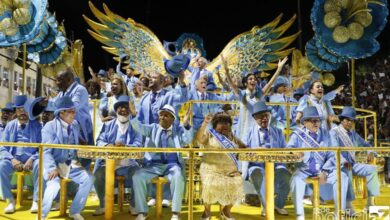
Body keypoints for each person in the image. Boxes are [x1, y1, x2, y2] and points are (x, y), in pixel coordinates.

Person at [129, 104, 192, 220]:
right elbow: (139, 127)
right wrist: (133, 115)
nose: (162, 117)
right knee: (137, 176)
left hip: (172, 166)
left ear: (173, 119)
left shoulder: (177, 131)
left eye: (166, 115)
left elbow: (187, 139)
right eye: (161, 115)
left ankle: (175, 213)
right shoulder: (153, 128)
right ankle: (142, 212)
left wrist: (186, 124)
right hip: (154, 165)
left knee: (178, 176)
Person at [287, 106, 348, 220]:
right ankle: (300, 216)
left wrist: (325, 171)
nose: (316, 123)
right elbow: (289, 148)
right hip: (304, 169)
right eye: (312, 120)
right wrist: (294, 152)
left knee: (342, 177)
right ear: (305, 122)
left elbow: (333, 154)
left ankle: (339, 215)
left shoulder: (327, 134)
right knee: (295, 180)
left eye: (318, 120)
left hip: (324, 169)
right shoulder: (297, 134)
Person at [40, 96, 95, 220]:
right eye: (71, 111)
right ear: (61, 113)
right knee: (54, 186)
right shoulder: (49, 127)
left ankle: (75, 211)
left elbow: (76, 143)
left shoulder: (74, 124)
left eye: (74, 111)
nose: (74, 114)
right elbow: (46, 151)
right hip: (54, 164)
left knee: (89, 178)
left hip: (71, 165)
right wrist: (52, 168)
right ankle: (42, 214)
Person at [93, 95, 142, 216]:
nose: (123, 110)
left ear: (130, 110)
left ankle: (133, 205)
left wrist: (126, 147)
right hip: (109, 164)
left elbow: (138, 144)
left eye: (126, 107)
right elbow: (99, 141)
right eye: (120, 107)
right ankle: (103, 205)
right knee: (97, 175)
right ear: (116, 110)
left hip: (128, 164)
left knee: (139, 174)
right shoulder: (107, 125)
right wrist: (110, 145)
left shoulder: (136, 126)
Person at [223, 55, 288, 141]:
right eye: (250, 79)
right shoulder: (241, 94)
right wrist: (227, 71)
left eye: (254, 79)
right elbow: (232, 85)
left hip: (256, 129)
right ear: (246, 83)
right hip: (243, 129)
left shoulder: (259, 94)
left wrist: (279, 69)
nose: (253, 80)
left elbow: (270, 83)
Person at [196, 112, 246, 220]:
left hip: (229, 171)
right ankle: (207, 212)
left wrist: (238, 169)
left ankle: (226, 210)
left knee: (238, 182)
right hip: (210, 169)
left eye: (227, 123)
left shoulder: (232, 136)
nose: (225, 125)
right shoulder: (210, 134)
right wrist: (204, 123)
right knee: (209, 184)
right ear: (215, 125)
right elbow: (200, 139)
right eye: (222, 123)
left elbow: (244, 148)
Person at [0, 95, 46, 214]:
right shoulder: (10, 125)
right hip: (14, 159)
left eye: (25, 109)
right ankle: (10, 201)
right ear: (15, 111)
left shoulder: (37, 126)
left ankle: (36, 200)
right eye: (19, 109)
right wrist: (12, 160)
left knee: (39, 165)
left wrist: (32, 159)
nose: (22, 112)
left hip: (31, 158)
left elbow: (42, 147)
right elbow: (3, 147)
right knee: (2, 166)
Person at [330, 106, 379, 215]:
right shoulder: (334, 132)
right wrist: (343, 161)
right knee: (346, 171)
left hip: (352, 163)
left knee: (372, 169)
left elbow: (366, 145)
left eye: (352, 121)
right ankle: (348, 205)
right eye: (347, 120)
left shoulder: (353, 134)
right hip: (338, 164)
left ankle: (370, 203)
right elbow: (333, 150)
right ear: (342, 120)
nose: (349, 123)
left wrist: (371, 152)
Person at [243, 101, 290, 216]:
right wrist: (254, 151)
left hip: (275, 164)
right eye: (260, 116)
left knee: (285, 174)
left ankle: (278, 205)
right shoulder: (248, 132)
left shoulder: (278, 132)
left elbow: (284, 151)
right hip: (256, 165)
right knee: (259, 174)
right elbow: (242, 150)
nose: (264, 118)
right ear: (254, 118)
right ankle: (267, 206)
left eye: (266, 115)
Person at [54, 68, 94, 146]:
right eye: (56, 80)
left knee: (84, 156)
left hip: (81, 130)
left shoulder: (80, 90)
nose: (57, 83)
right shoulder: (61, 93)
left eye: (59, 80)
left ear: (68, 80)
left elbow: (72, 107)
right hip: (67, 129)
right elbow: (54, 105)